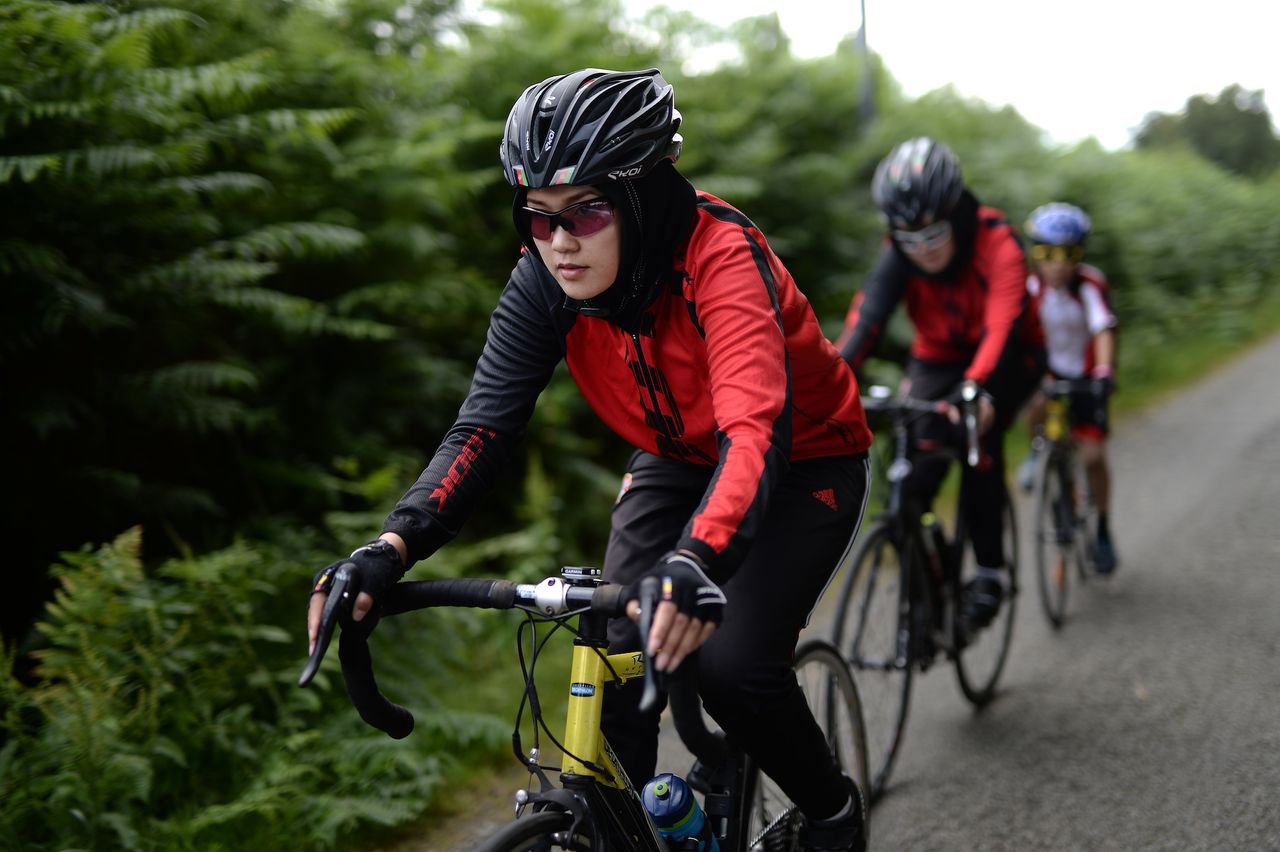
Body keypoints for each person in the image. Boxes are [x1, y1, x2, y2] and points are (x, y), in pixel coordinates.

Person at [305, 68, 870, 851]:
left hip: (803, 458)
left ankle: (834, 812)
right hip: (674, 459)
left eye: (587, 211)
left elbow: (753, 428)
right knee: (606, 653)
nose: (561, 243)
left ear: (641, 196)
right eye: (537, 218)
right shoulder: (545, 279)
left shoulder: (722, 255)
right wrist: (390, 545)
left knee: (735, 668)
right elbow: (483, 430)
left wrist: (695, 559)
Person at [836, 136, 1045, 632]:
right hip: (939, 357)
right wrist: (829, 383)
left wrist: (977, 389)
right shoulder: (900, 251)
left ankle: (990, 572)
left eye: (934, 236)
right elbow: (865, 323)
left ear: (957, 213)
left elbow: (1002, 327)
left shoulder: (998, 241)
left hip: (1009, 355)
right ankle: (928, 583)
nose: (923, 252)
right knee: (913, 467)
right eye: (909, 241)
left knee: (978, 439)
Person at [1016, 202, 1120, 573]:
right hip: (1049, 372)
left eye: (1068, 254)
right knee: (1035, 405)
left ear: (1080, 255)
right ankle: (1036, 452)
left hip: (1088, 375)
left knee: (1092, 456)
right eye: (1047, 254)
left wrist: (1105, 371)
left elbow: (1102, 328)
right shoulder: (1028, 287)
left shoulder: (1090, 285)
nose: (1057, 263)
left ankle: (1104, 528)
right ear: (1035, 254)